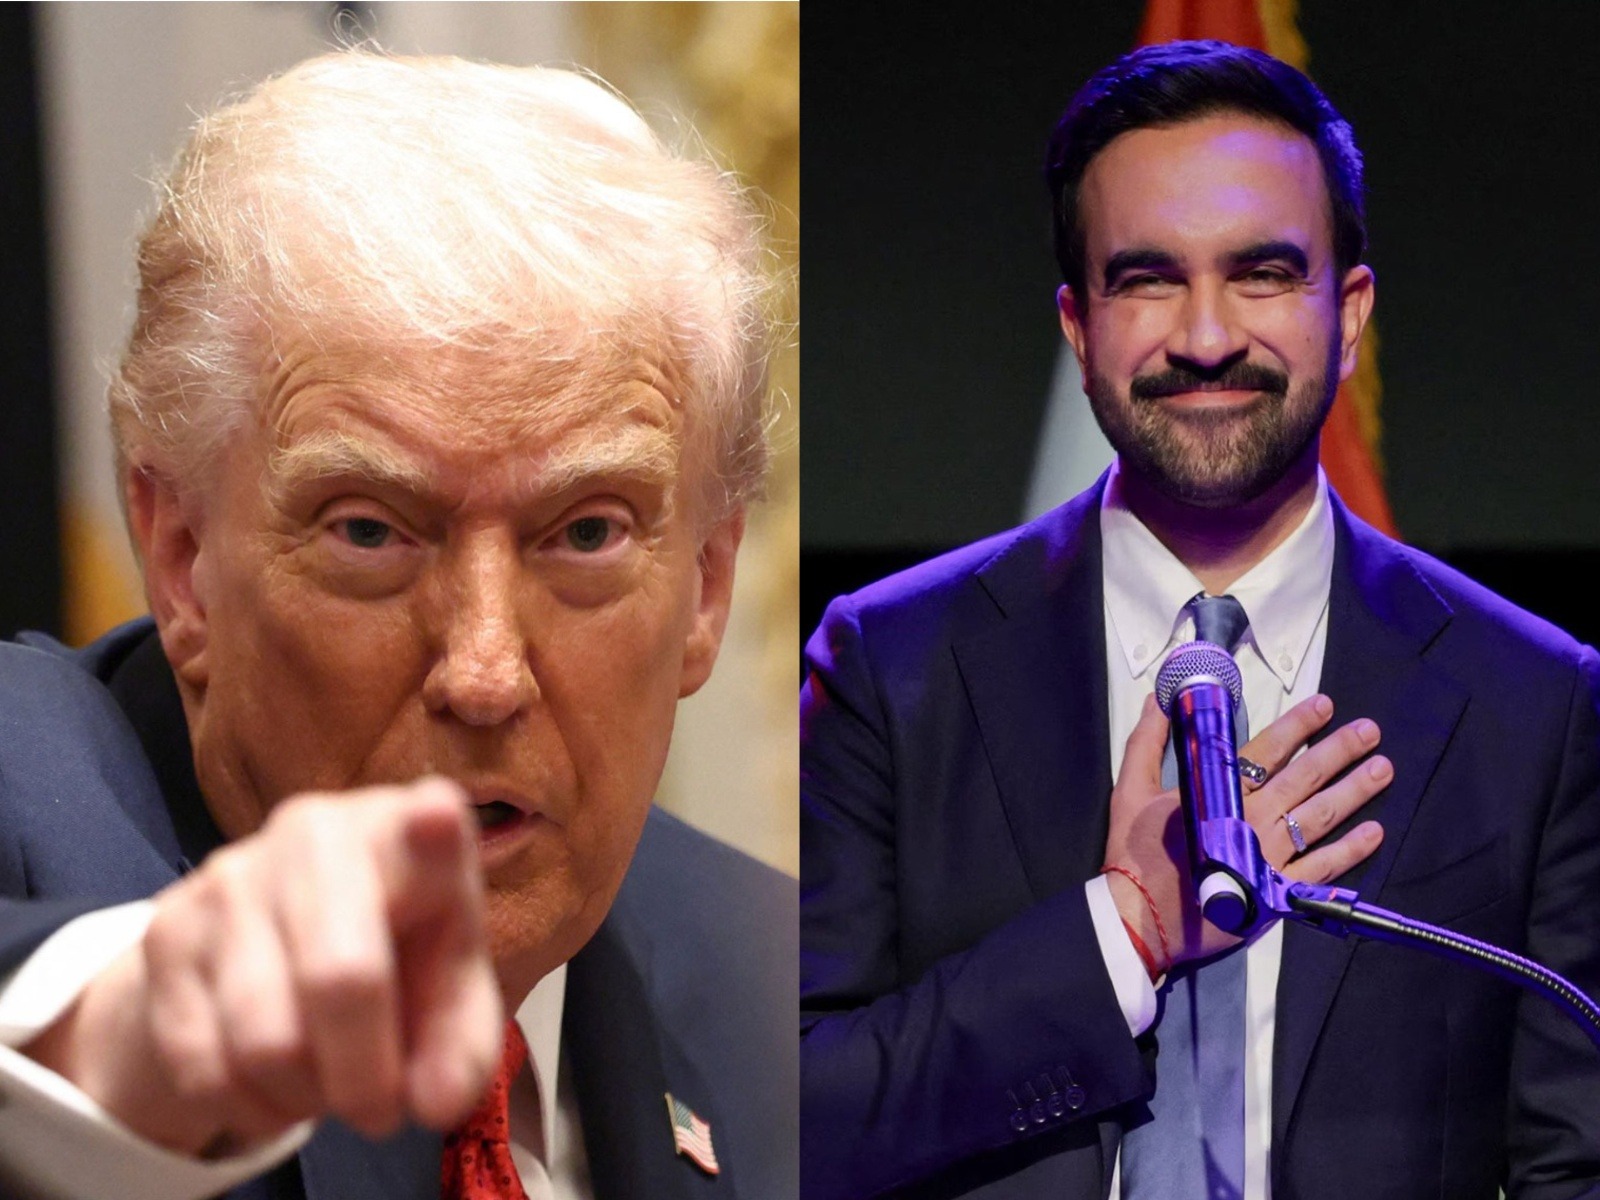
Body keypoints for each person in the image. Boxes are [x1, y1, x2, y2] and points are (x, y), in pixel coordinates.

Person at [800, 39, 1600, 1200]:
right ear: (1079, 328)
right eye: (1149, 279)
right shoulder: (890, 668)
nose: (1208, 335)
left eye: (1263, 273)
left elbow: (1573, 1163)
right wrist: (1118, 934)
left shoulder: (1533, 699)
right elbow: (794, 1126)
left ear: (1351, 312)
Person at [0, 52, 795, 1200]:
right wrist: (92, 1043)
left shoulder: (773, 969)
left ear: (708, 585)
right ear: (181, 562)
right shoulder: (29, 785)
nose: (483, 671)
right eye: (369, 532)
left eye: (584, 534)